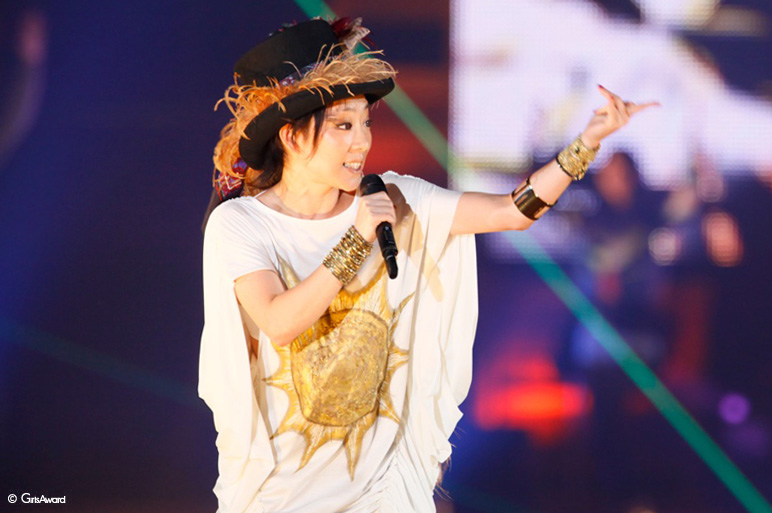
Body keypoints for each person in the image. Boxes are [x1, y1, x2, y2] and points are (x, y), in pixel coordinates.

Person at [198, 17, 656, 513]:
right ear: (291, 137)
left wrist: (587, 141)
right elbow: (279, 321)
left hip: (381, 491)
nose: (362, 142)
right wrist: (356, 239)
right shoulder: (241, 224)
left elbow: (511, 212)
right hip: (281, 495)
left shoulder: (395, 199)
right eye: (344, 126)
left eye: (366, 123)